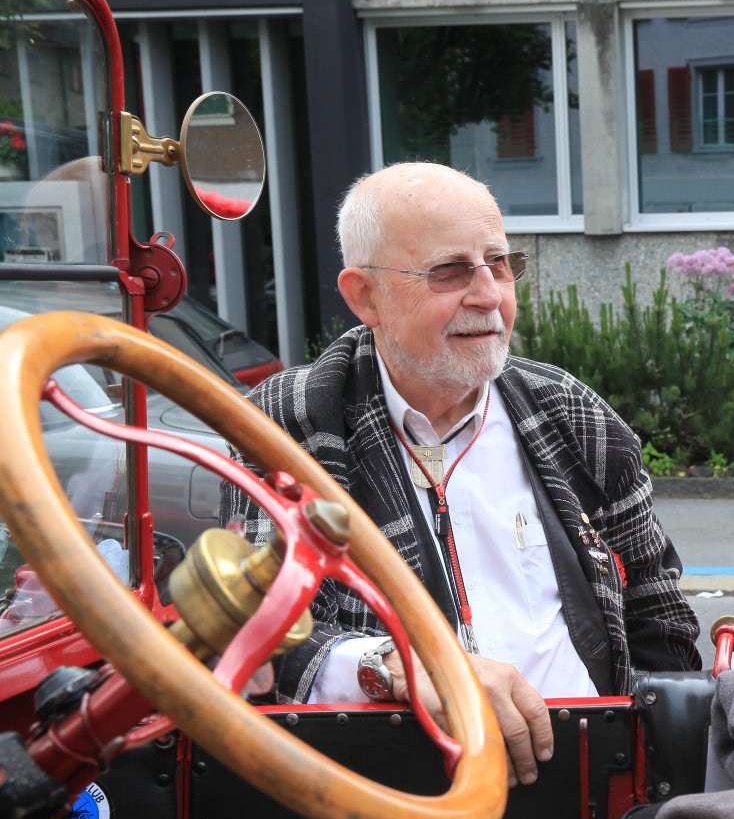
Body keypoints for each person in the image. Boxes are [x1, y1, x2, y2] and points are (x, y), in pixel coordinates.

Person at [220, 162, 701, 784]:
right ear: (365, 296)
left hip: (593, 778)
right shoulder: (288, 426)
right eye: (449, 271)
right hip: (402, 787)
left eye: (499, 264)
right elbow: (260, 632)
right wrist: (400, 668)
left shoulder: (569, 412)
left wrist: (655, 767)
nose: (489, 295)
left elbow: (659, 611)